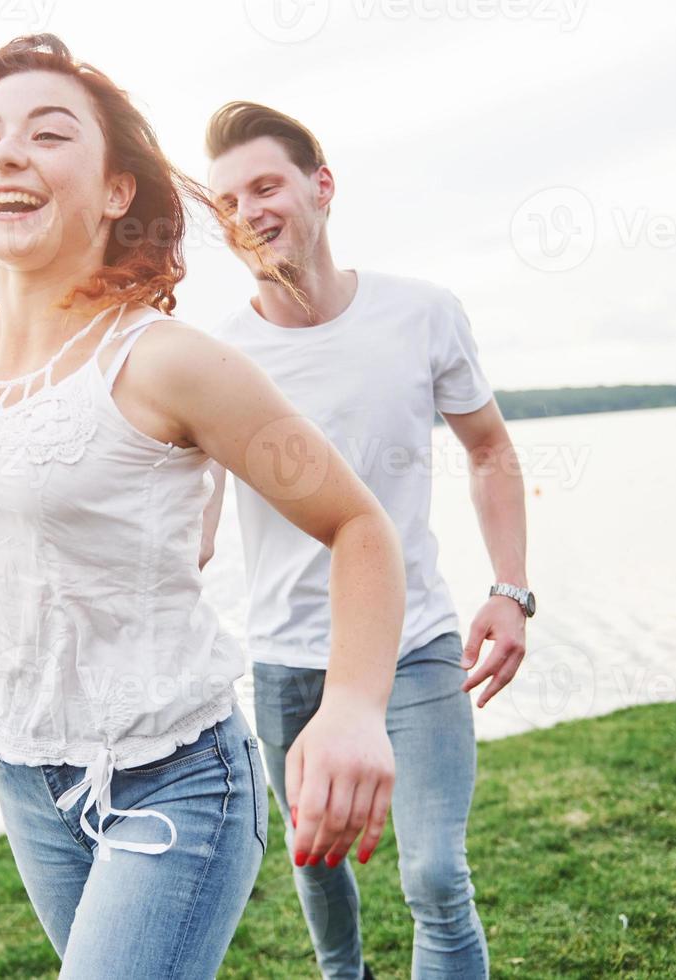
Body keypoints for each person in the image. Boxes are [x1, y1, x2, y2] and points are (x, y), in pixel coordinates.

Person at [0, 36, 408, 978]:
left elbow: (357, 525)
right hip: (27, 775)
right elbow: (40, 498)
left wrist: (349, 707)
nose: (6, 153)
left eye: (48, 134)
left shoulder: (168, 361)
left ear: (114, 191)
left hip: (174, 776)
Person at [200, 101, 535, 979]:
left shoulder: (421, 313)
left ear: (322, 186)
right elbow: (185, 529)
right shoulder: (212, 355)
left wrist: (510, 589)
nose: (248, 212)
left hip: (415, 645)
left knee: (434, 875)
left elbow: (490, 448)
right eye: (227, 201)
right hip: (284, 661)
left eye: (265, 186)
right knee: (318, 865)